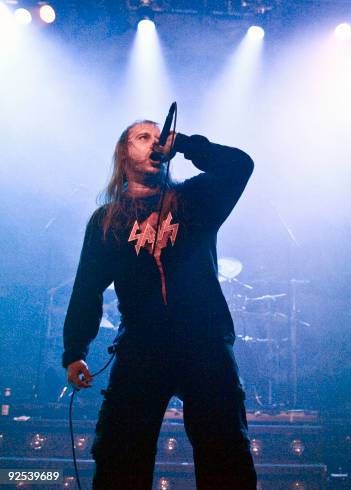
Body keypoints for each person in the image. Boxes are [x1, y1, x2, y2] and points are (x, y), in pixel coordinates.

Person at [62, 120, 257, 489]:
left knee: (225, 450)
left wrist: (184, 143)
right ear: (124, 153)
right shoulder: (107, 221)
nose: (156, 143)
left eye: (160, 136)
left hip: (204, 344)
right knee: (120, 450)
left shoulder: (195, 200)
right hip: (141, 346)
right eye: (144, 137)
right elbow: (87, 287)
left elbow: (239, 165)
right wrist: (75, 350)